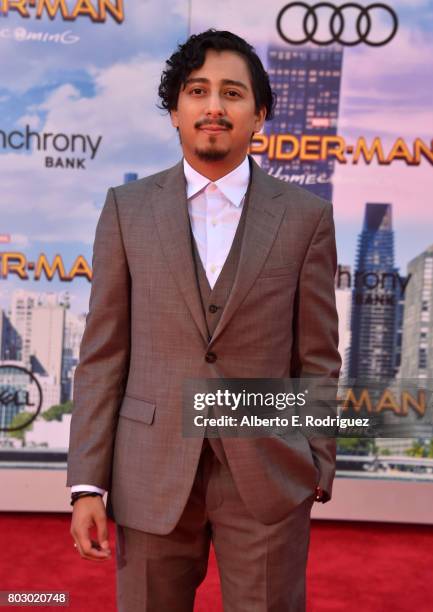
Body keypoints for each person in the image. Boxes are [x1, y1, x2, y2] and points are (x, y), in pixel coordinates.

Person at [67, 29, 341, 611]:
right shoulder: (127, 209)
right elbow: (103, 352)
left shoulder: (306, 217)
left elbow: (317, 355)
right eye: (197, 90)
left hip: (269, 469)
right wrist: (87, 482)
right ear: (175, 110)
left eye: (232, 93)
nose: (214, 106)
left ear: (259, 113)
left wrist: (319, 457)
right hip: (150, 469)